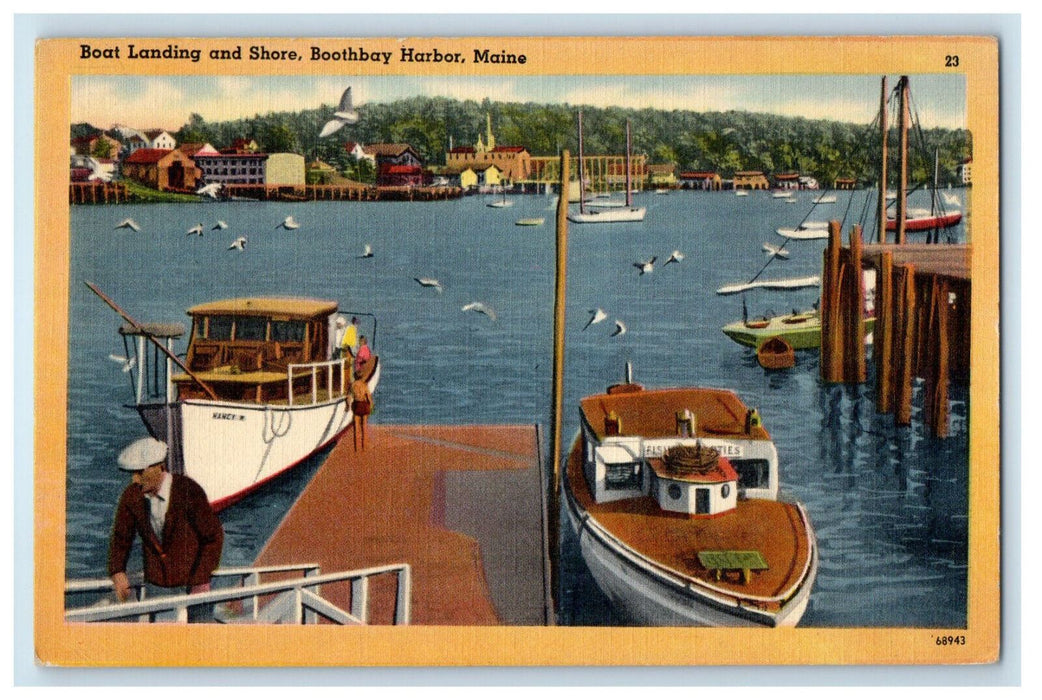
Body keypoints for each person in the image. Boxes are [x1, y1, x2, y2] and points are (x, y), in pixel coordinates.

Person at [108, 437, 224, 613]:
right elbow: (120, 538)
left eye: (140, 472)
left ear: (159, 468)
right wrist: (117, 571)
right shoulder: (132, 497)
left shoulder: (188, 490)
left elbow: (213, 537)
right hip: (156, 586)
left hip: (193, 586)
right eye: (133, 474)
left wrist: (200, 580)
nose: (135, 480)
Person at [350, 376, 373, 451]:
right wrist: (371, 407)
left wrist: (348, 406)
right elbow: (369, 397)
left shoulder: (353, 385)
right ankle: (364, 447)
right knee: (364, 428)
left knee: (356, 429)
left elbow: (349, 397)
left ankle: (356, 448)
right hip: (364, 404)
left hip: (357, 405)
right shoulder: (364, 385)